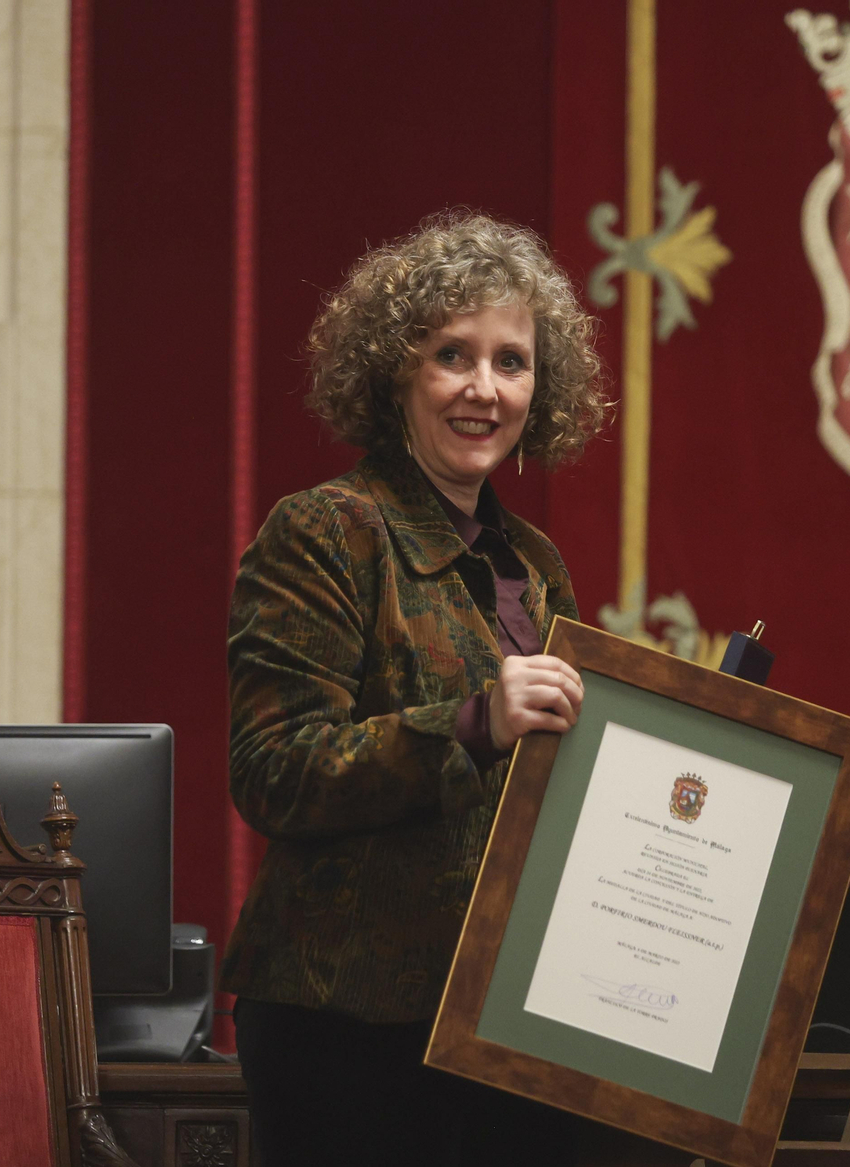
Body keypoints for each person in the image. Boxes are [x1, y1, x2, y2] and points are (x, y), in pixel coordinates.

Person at [224, 213, 607, 1165]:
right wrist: (476, 721)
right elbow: (274, 770)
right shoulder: (324, 531)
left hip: (510, 1022)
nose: (485, 388)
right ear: (397, 372)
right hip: (351, 1032)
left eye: (511, 361)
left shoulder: (537, 563)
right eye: (452, 355)